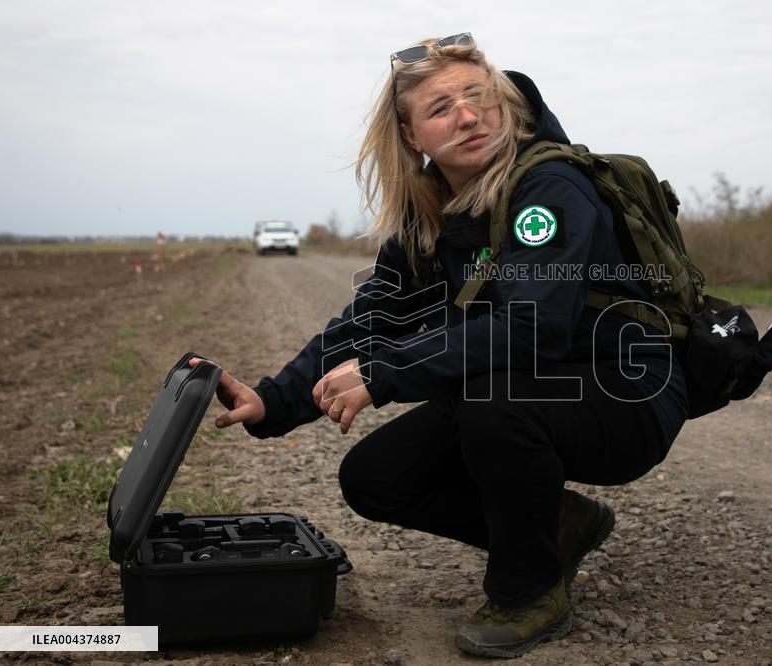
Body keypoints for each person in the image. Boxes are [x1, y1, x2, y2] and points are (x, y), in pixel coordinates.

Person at [198, 33, 688, 658]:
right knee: (376, 477)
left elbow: (532, 326)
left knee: (491, 402)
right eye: (440, 108)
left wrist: (383, 374)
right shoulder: (427, 214)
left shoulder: (550, 187)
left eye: (477, 96)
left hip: (623, 392)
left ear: (501, 102)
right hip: (524, 390)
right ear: (411, 135)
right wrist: (273, 400)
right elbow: (371, 319)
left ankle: (528, 591)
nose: (467, 116)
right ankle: (558, 526)